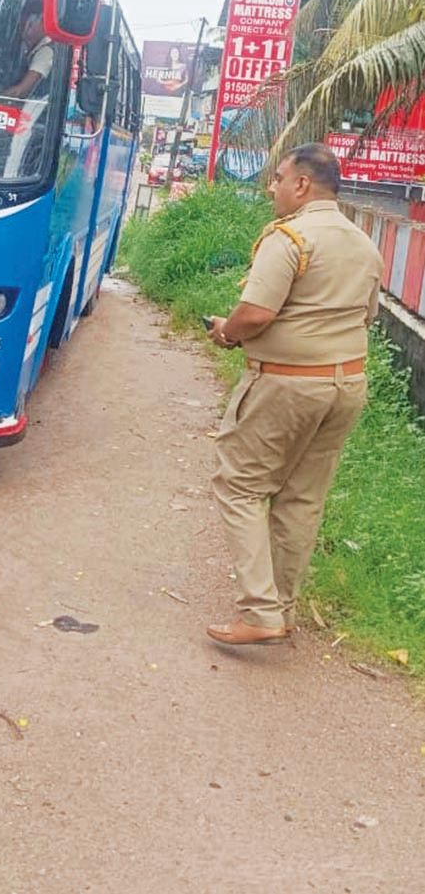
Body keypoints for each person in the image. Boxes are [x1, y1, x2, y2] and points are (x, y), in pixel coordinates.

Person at [205, 143, 382, 647]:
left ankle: (260, 612)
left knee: (238, 485)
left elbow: (257, 312)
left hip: (287, 382)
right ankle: (280, 608)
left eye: (278, 177)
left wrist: (228, 332)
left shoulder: (291, 237)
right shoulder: (364, 244)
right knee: (301, 497)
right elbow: (365, 315)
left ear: (302, 184)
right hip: (346, 384)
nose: (272, 187)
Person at [3, 0, 54, 99]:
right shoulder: (29, 48)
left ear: (43, 22)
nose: (24, 27)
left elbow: (20, 91)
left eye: (29, 23)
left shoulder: (46, 52)